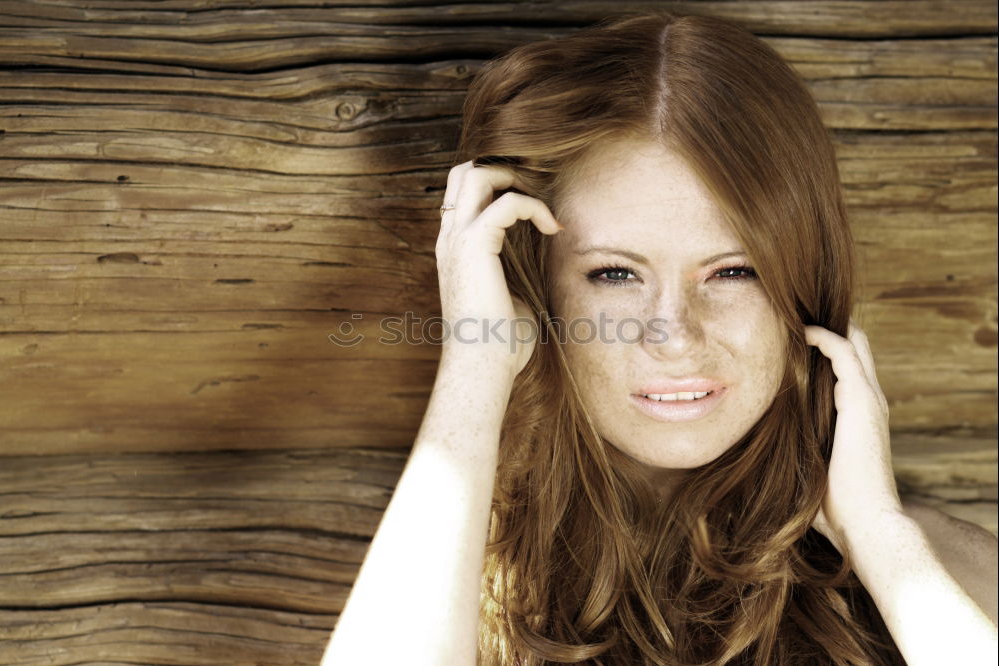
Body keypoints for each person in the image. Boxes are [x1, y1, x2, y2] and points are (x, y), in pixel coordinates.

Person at [322, 11, 997, 666]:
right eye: (614, 273)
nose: (674, 336)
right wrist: (477, 361)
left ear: (804, 284)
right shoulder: (440, 571)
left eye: (734, 271)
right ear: (538, 286)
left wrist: (878, 536)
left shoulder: (936, 568)